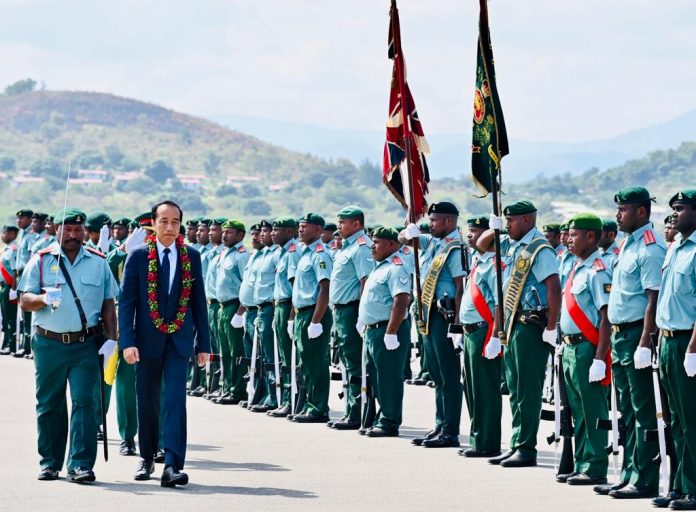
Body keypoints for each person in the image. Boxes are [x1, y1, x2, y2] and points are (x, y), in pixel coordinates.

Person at [18, 208, 118, 484]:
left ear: (85, 231)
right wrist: (41, 299)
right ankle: (50, 462)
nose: (73, 235)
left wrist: (112, 339)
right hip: (49, 342)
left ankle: (81, 464)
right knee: (50, 402)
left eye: (78, 230)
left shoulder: (98, 262)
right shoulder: (41, 260)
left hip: (85, 344)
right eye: (68, 229)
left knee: (86, 401)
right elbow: (24, 300)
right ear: (57, 230)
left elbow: (109, 302)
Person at [119, 200, 210, 487]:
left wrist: (203, 344)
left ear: (180, 224)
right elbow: (127, 303)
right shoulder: (137, 257)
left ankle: (172, 464)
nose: (170, 227)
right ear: (154, 224)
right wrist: (127, 342)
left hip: (179, 342)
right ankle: (147, 457)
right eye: (164, 221)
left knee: (174, 400)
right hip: (146, 342)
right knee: (147, 401)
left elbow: (198, 303)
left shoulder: (191, 256)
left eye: (175, 221)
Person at [596, 186, 666, 499]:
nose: (617, 215)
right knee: (626, 409)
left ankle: (644, 478)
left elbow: (654, 298)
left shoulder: (650, 249)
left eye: (623, 210)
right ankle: (628, 473)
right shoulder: (628, 245)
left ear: (641, 212)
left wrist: (645, 343)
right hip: (620, 334)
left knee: (643, 411)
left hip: (637, 333)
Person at [481, 200, 561, 467]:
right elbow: (481, 246)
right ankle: (517, 442)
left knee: (527, 389)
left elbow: (553, 287)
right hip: (514, 323)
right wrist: (493, 230)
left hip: (530, 325)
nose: (507, 225)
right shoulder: (513, 244)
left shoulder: (540, 248)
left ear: (526, 220)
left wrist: (551, 327)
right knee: (515, 388)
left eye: (510, 221)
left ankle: (527, 447)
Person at [401, 201, 465, 448]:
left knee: (448, 376)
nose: (430, 224)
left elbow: (460, 287)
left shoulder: (455, 249)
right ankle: (440, 424)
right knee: (437, 375)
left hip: (444, 316)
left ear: (448, 222)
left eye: (435, 220)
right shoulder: (434, 243)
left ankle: (450, 430)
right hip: (428, 314)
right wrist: (410, 231)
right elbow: (404, 239)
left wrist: (457, 325)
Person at [556, 213, 611, 486]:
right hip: (569, 348)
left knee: (592, 410)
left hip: (587, 348)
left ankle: (595, 465)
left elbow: (605, 316)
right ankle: (581, 462)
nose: (567, 239)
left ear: (591, 237)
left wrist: (600, 357)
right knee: (576, 409)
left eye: (574, 234)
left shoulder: (597, 270)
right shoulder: (576, 267)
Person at [653, 190, 696, 510]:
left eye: (680, 209)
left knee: (692, 417)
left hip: (687, 341)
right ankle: (681, 484)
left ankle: (693, 489)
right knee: (677, 420)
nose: (675, 215)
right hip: (667, 340)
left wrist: (693, 348)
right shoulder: (675, 248)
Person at [357, 226, 411, 437]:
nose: (372, 246)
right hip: (373, 330)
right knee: (376, 377)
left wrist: (391, 332)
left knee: (389, 377)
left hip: (387, 330)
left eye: (377, 242)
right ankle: (381, 416)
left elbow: (401, 301)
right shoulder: (379, 267)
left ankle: (389, 421)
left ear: (392, 244)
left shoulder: (396, 268)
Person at [458, 216, 502, 458]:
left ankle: (487, 441)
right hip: (469, 331)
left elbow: (498, 304)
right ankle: (477, 437)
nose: (470, 236)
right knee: (472, 388)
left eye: (475, 232)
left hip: (483, 331)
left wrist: (495, 336)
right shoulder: (478, 261)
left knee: (485, 389)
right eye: (470, 231)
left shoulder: (494, 265)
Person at [328, 206, 374, 430]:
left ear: (357, 224)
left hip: (352, 309)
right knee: (346, 361)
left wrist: (362, 314)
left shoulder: (361, 248)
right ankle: (351, 408)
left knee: (356, 362)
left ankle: (358, 411)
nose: (339, 226)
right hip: (340, 310)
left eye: (343, 222)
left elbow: (366, 281)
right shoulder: (346, 247)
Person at [291, 213, 333, 423]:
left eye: (305, 227)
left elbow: (324, 289)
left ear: (318, 230)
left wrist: (316, 321)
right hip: (302, 313)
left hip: (313, 313)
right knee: (306, 362)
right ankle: (310, 403)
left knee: (316, 362)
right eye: (299, 226)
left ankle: (318, 407)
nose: (300, 230)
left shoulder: (320, 254)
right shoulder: (305, 254)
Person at [268, 217, 300, 418]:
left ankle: (292, 399)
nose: (272, 233)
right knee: (282, 355)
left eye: (276, 230)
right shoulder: (281, 252)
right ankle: (286, 398)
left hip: (288, 306)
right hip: (278, 305)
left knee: (289, 357)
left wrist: (290, 318)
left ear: (289, 232)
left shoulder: (292, 253)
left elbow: (296, 287)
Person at [214, 220, 249, 405]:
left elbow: (246, 284)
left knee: (236, 351)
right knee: (225, 351)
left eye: (229, 232)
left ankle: (238, 390)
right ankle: (227, 387)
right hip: (222, 307)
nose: (224, 235)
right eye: (224, 232)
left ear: (240, 235)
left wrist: (240, 311)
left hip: (234, 306)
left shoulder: (242, 255)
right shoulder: (224, 253)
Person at [251, 219, 280, 412]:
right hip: (261, 308)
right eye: (260, 231)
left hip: (271, 307)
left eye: (266, 231)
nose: (262, 234)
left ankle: (275, 396)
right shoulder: (263, 254)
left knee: (272, 354)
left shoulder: (278, 254)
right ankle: (265, 393)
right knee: (262, 355)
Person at [0, 226, 20, 355]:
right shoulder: (6, 249)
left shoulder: (13, 250)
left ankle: (11, 345)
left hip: (9, 287)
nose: (2, 235)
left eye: (4, 233)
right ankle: (6, 343)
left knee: (10, 318)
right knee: (6, 318)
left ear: (12, 234)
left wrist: (13, 290)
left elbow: (14, 272)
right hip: (4, 286)